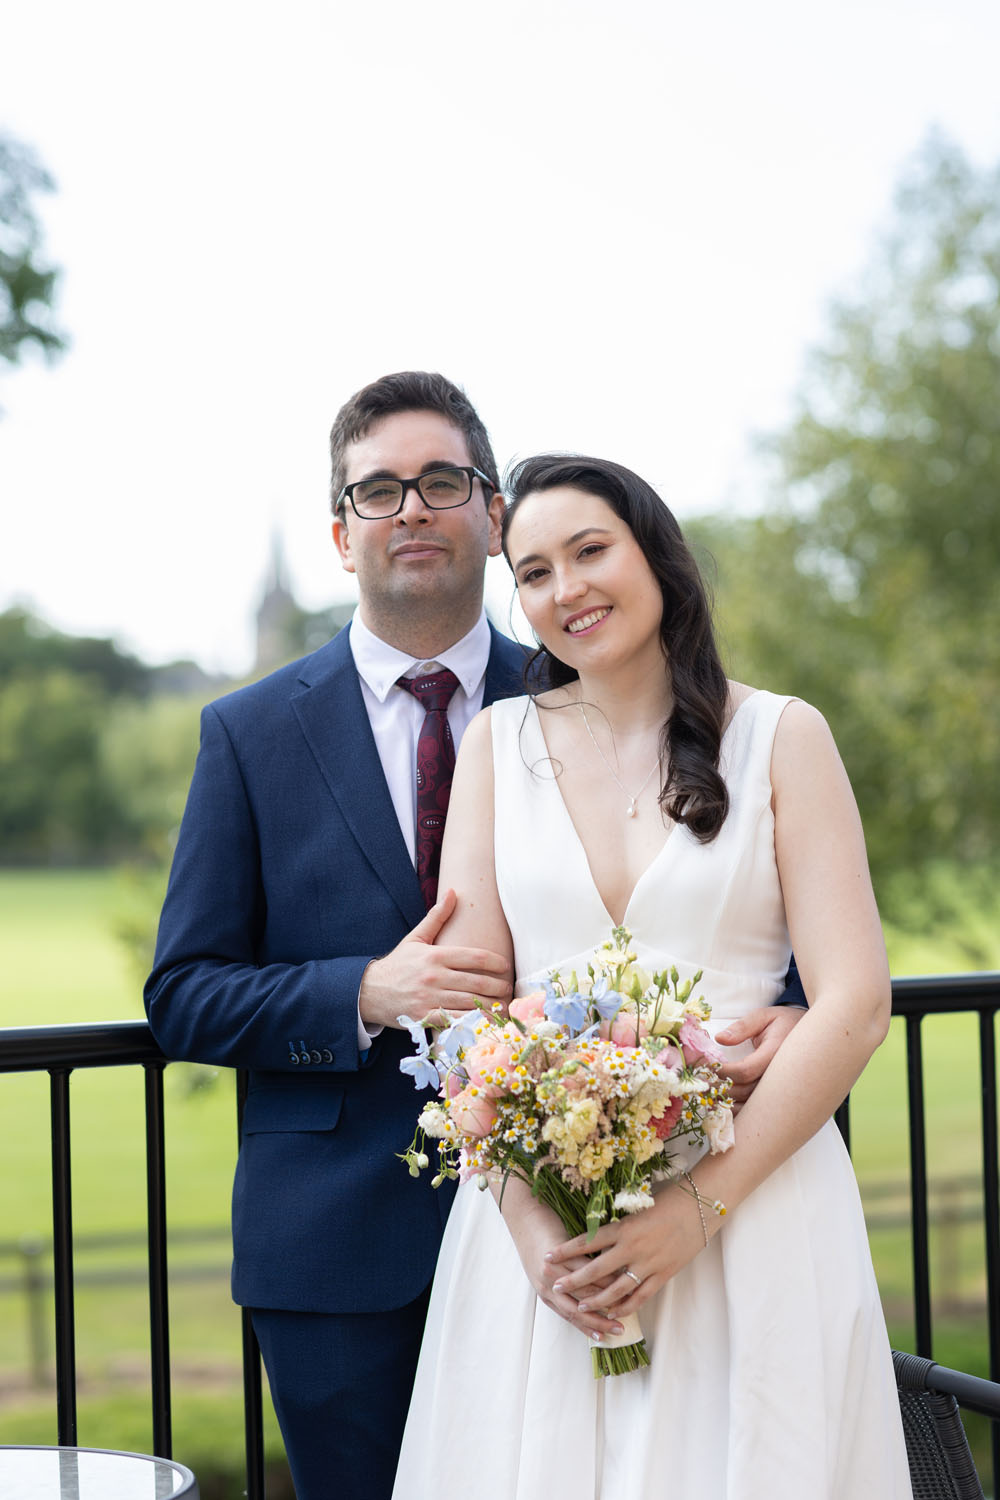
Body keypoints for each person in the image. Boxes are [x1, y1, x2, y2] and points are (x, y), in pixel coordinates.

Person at [144, 376, 802, 1500]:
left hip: (601, 1226)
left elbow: (703, 902)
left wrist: (784, 1010)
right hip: (336, 1256)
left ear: (493, 517)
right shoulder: (247, 734)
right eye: (380, 489)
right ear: (340, 531)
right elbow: (185, 994)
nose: (413, 509)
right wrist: (368, 991)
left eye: (442, 482)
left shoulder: (594, 681)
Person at [392, 454, 912, 1499]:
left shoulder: (780, 736)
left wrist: (695, 1213)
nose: (565, 589)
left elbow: (853, 1006)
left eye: (591, 551)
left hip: (754, 1211)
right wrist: (538, 1234)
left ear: (657, 557)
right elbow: (467, 1015)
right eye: (532, 571)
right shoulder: (500, 745)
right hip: (542, 1237)